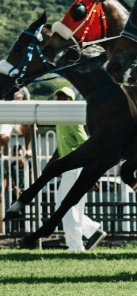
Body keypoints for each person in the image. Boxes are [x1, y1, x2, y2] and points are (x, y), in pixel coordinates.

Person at [50, 87, 107, 251]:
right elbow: (61, 147)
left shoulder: (72, 119)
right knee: (63, 205)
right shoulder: (61, 119)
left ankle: (75, 246)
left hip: (77, 166)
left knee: (68, 207)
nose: (60, 101)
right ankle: (92, 230)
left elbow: (87, 146)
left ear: (71, 101)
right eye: (58, 98)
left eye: (64, 98)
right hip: (72, 167)